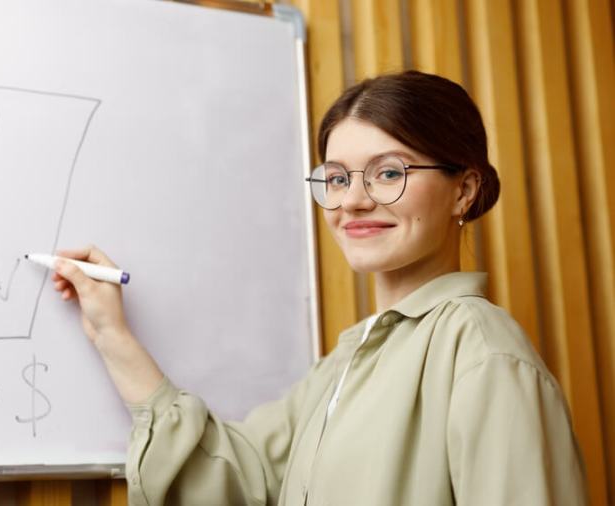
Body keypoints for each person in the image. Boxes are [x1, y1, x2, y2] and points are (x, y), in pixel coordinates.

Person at [50, 71, 589, 505]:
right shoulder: (344, 364)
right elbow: (237, 479)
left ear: (463, 191)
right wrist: (112, 335)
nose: (352, 201)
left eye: (388, 173)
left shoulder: (482, 353)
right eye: (336, 178)